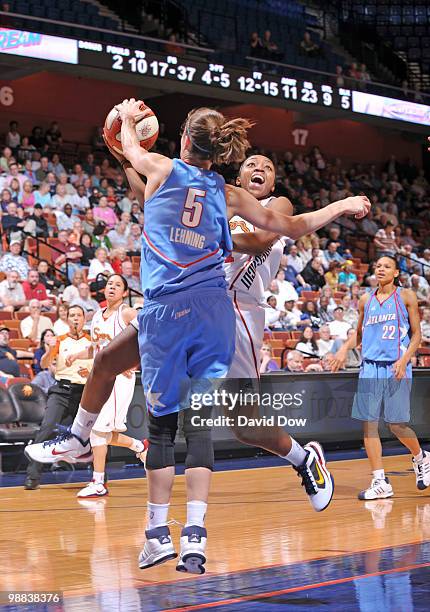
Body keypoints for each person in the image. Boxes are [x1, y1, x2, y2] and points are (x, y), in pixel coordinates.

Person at [25, 101, 370, 573]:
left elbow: (264, 238)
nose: (258, 169)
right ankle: (97, 453)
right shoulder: (208, 189)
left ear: (272, 183)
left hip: (235, 313)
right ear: (229, 158)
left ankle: (296, 460)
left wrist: (208, 226)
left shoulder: (271, 204)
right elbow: (156, 196)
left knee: (239, 423)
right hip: (185, 304)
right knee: (110, 361)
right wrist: (132, 164)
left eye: (266, 168)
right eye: (251, 163)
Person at [330, 256, 430, 499]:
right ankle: (379, 481)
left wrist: (405, 359)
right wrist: (344, 349)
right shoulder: (366, 300)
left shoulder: (405, 297)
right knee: (369, 424)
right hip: (370, 367)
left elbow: (416, 336)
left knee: (396, 425)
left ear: (396, 272)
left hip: (396, 366)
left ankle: (421, 457)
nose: (381, 269)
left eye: (386, 266)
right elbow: (360, 335)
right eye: (378, 266)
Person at [65, 275, 146, 498]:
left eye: (117, 285)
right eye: (109, 283)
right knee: (101, 431)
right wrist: (77, 356)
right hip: (102, 377)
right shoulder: (97, 316)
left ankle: (98, 482)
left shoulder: (127, 313)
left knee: (97, 430)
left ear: (124, 292)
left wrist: (135, 361)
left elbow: (149, 337)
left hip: (120, 378)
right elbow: (95, 348)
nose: (112, 287)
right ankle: (139, 447)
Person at [24, 305, 94, 490]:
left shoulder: (91, 342)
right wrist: (49, 350)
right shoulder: (59, 341)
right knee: (46, 428)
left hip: (85, 392)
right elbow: (44, 363)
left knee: (95, 433)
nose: (76, 318)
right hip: (62, 390)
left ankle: (99, 477)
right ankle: (33, 476)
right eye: (72, 315)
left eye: (79, 315)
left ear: (84, 319)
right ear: (67, 320)